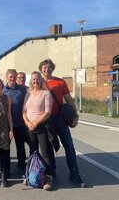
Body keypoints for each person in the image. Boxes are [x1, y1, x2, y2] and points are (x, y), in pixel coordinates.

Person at [39, 58, 86, 187]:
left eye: (49, 67)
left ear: (52, 69)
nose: (46, 69)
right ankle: (51, 173)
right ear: (41, 69)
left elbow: (69, 100)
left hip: (59, 118)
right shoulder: (38, 82)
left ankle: (74, 173)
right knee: (48, 148)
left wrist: (75, 115)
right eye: (44, 67)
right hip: (46, 120)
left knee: (69, 146)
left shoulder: (60, 82)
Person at [22, 71, 55, 191]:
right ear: (31, 81)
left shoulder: (46, 93)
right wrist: (28, 123)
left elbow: (47, 112)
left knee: (45, 152)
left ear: (41, 80)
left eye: (37, 79)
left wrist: (35, 123)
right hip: (30, 127)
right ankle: (33, 175)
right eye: (33, 79)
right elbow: (24, 111)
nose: (35, 81)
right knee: (33, 151)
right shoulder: (28, 94)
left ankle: (48, 178)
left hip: (42, 126)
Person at [3, 69, 32, 178]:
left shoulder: (23, 90)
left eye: (14, 77)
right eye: (10, 77)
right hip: (6, 125)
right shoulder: (2, 90)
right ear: (6, 78)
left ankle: (21, 167)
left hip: (20, 123)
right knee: (6, 147)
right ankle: (6, 169)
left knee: (20, 147)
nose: (12, 79)